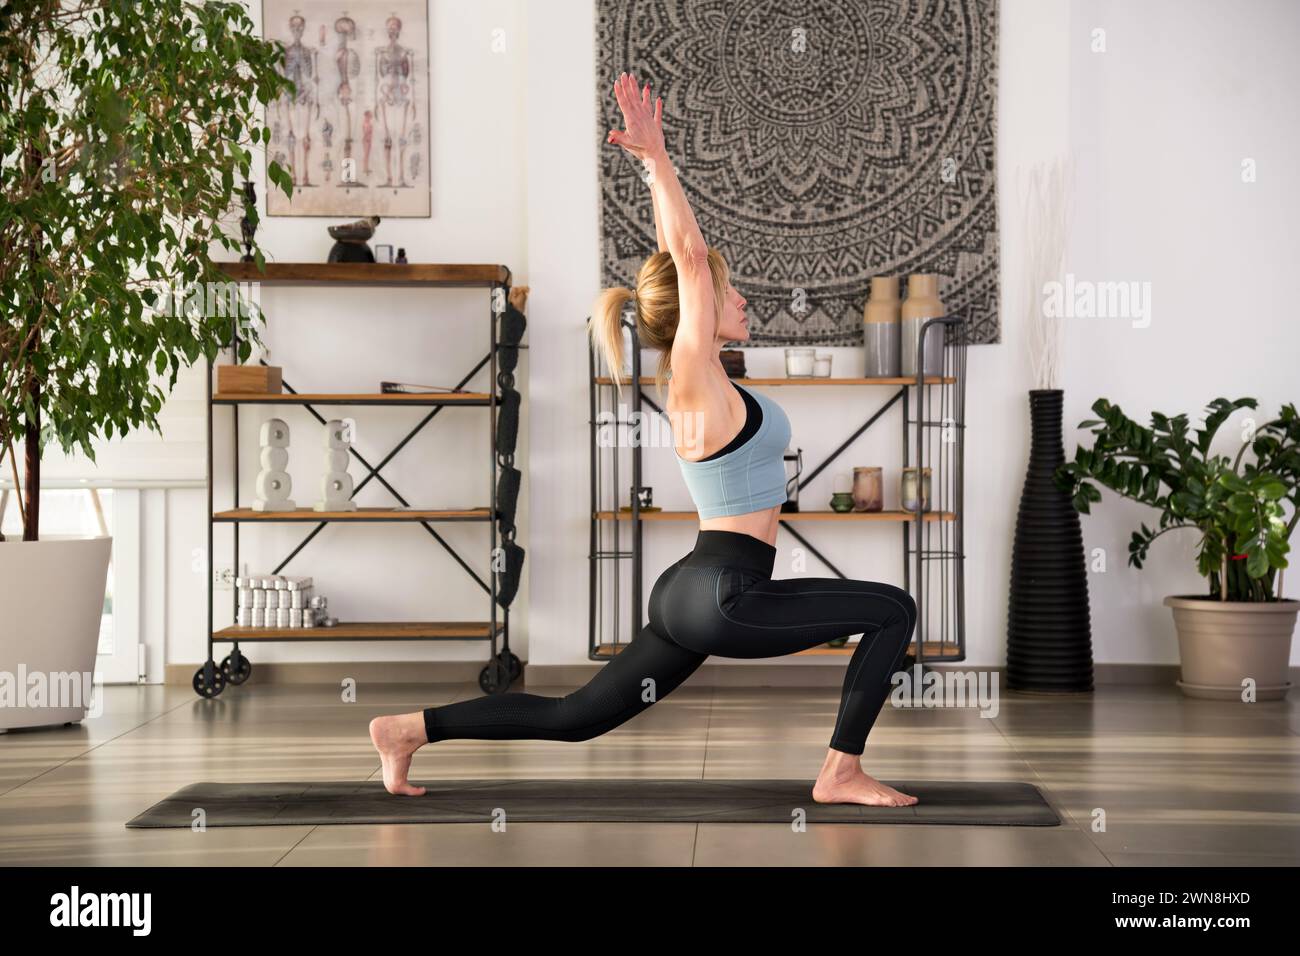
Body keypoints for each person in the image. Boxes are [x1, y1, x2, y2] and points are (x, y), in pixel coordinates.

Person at [370, 72, 918, 807]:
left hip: (697, 589)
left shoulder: (702, 379)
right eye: (732, 292)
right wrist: (656, 162)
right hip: (726, 593)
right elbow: (689, 263)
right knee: (892, 609)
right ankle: (841, 770)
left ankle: (409, 730)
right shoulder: (691, 376)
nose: (742, 298)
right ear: (699, 309)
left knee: (576, 719)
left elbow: (676, 260)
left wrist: (659, 182)